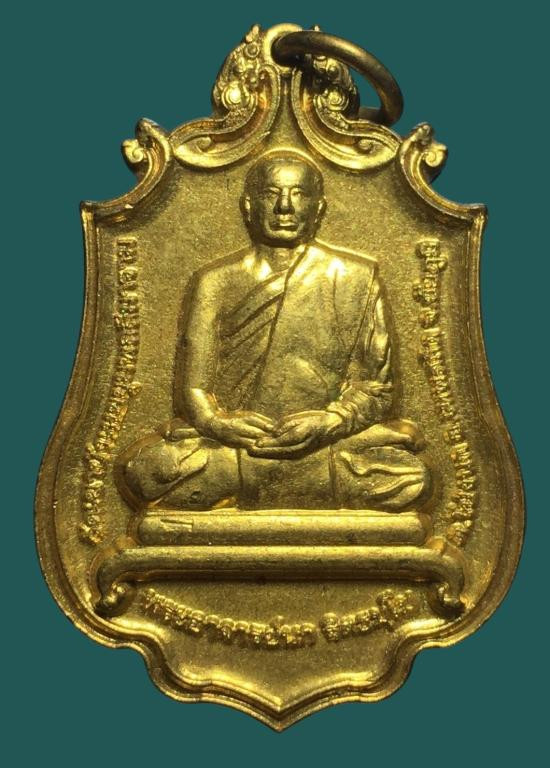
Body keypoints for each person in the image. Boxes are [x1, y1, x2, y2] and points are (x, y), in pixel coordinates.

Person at [119, 150, 430, 512]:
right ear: (249, 206)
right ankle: (304, 484)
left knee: (413, 476)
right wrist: (216, 421)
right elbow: (196, 390)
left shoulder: (356, 277)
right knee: (145, 472)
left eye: (298, 194)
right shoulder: (215, 281)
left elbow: (377, 388)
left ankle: (252, 481)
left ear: (318, 208)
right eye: (271, 194)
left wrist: (330, 421)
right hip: (239, 442)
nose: (285, 207)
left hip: (323, 440)